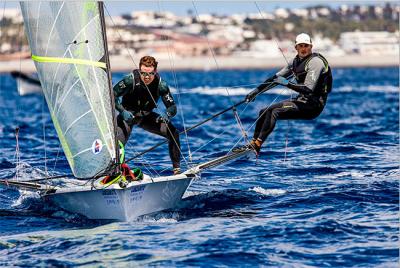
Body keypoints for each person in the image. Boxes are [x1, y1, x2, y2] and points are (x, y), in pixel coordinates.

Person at [243, 33, 332, 153]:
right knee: (263, 111)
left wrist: (287, 83)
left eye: (306, 46)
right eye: (300, 46)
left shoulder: (316, 62)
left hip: (314, 106)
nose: (303, 48)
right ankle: (253, 144)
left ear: (311, 46)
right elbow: (274, 79)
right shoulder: (295, 62)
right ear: (296, 48)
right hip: (301, 102)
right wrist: (256, 91)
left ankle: (258, 144)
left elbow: (308, 89)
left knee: (275, 111)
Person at [113, 56, 181, 175]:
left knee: (174, 133)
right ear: (140, 71)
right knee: (118, 143)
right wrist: (122, 111)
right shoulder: (130, 80)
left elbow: (172, 107)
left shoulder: (161, 85)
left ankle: (177, 170)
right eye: (143, 73)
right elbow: (113, 95)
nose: (147, 77)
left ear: (155, 72)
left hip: (146, 117)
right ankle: (118, 172)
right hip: (127, 117)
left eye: (150, 73)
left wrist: (167, 114)